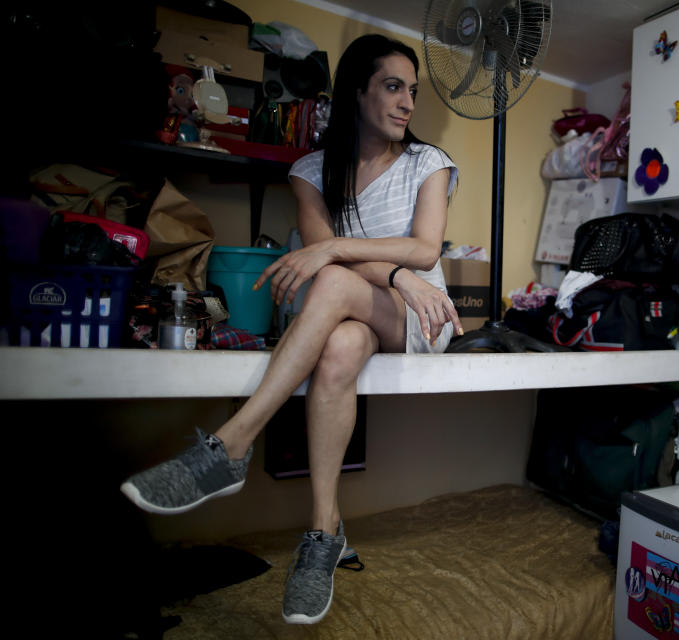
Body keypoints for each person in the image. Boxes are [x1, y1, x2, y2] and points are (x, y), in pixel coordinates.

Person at [120, 34, 463, 625]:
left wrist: (392, 273)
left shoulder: (427, 163)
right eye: (392, 86)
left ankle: (230, 446)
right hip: (364, 313)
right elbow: (335, 255)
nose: (407, 102)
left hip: (419, 317)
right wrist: (396, 272)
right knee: (339, 347)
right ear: (357, 92)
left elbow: (421, 246)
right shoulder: (310, 171)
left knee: (330, 284)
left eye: (412, 90)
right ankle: (323, 533)